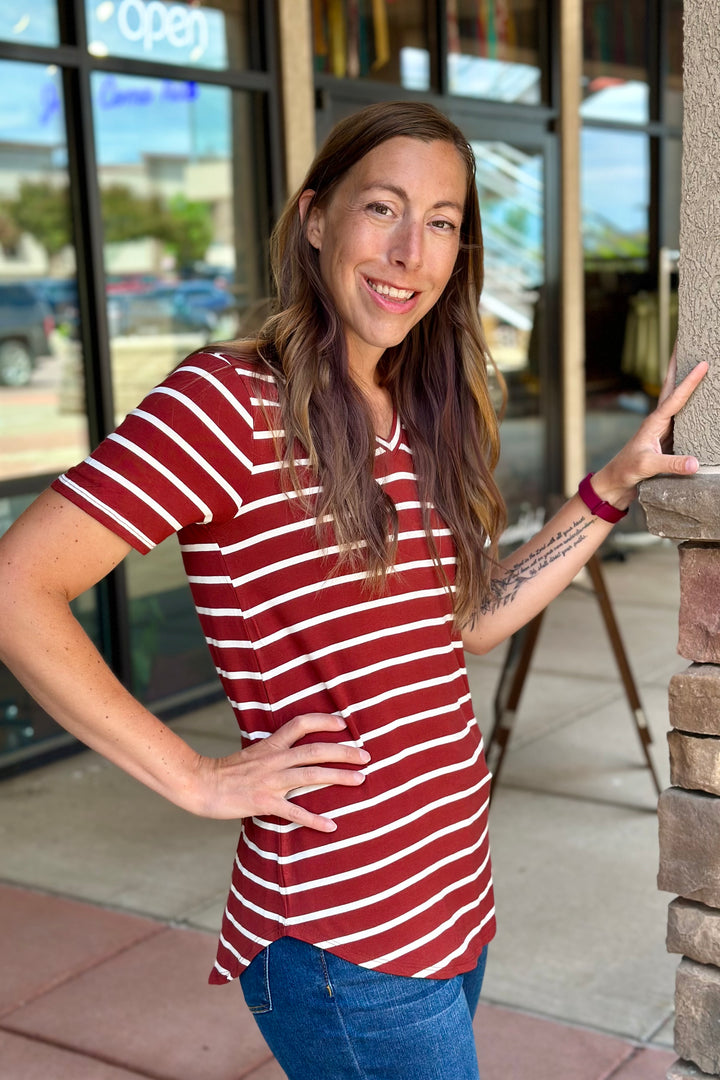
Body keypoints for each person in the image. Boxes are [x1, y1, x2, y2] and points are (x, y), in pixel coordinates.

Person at [0, 102, 706, 1080]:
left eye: (446, 221)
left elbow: (464, 624)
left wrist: (607, 492)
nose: (412, 250)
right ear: (316, 218)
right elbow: (17, 586)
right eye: (383, 208)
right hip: (347, 943)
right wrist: (197, 778)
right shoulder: (223, 404)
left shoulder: (417, 410)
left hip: (450, 905)